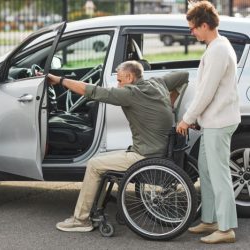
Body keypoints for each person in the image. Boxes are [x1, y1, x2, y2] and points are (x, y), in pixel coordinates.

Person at [46, 60, 189, 232]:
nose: (117, 84)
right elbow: (184, 76)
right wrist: (171, 101)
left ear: (129, 77)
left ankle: (81, 220)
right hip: (161, 150)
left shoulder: (130, 93)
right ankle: (92, 210)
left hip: (145, 156)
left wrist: (59, 80)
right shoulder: (157, 83)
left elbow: (90, 91)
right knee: (104, 160)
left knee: (94, 164)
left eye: (120, 80)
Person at [176, 1, 240, 244]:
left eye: (193, 28)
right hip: (213, 120)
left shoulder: (218, 50)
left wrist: (187, 119)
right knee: (206, 169)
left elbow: (206, 93)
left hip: (218, 122)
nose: (192, 32)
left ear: (205, 25)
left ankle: (226, 229)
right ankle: (211, 219)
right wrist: (198, 119)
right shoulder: (217, 47)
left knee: (219, 173)